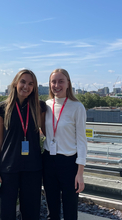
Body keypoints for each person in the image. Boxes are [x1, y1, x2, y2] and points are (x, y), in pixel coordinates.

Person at [0, 69, 46, 220]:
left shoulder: (39, 108)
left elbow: (50, 133)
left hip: (33, 168)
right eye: (23, 82)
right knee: (4, 214)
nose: (26, 86)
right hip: (8, 168)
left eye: (30, 84)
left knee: (31, 213)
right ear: (15, 83)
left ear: (34, 87)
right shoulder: (3, 108)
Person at [43, 68, 87, 220]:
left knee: (70, 209)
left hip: (69, 163)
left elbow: (82, 140)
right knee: (52, 209)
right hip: (48, 160)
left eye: (61, 81)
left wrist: (80, 173)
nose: (57, 85)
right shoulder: (46, 105)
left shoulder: (77, 107)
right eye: (53, 81)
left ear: (68, 83)